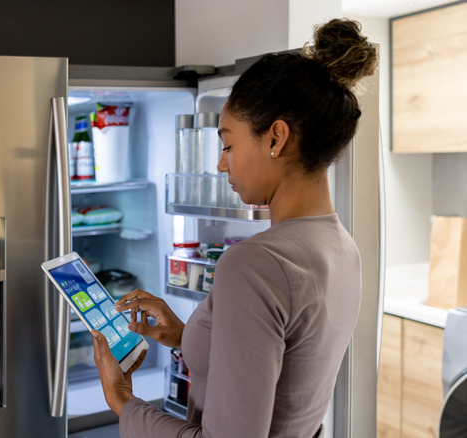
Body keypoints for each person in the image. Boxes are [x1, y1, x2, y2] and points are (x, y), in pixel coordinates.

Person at [90, 18, 378, 438]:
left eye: (227, 144)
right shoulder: (340, 247)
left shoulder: (256, 263)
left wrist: (123, 401)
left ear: (276, 137)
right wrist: (188, 336)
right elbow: (284, 377)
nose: (221, 163)